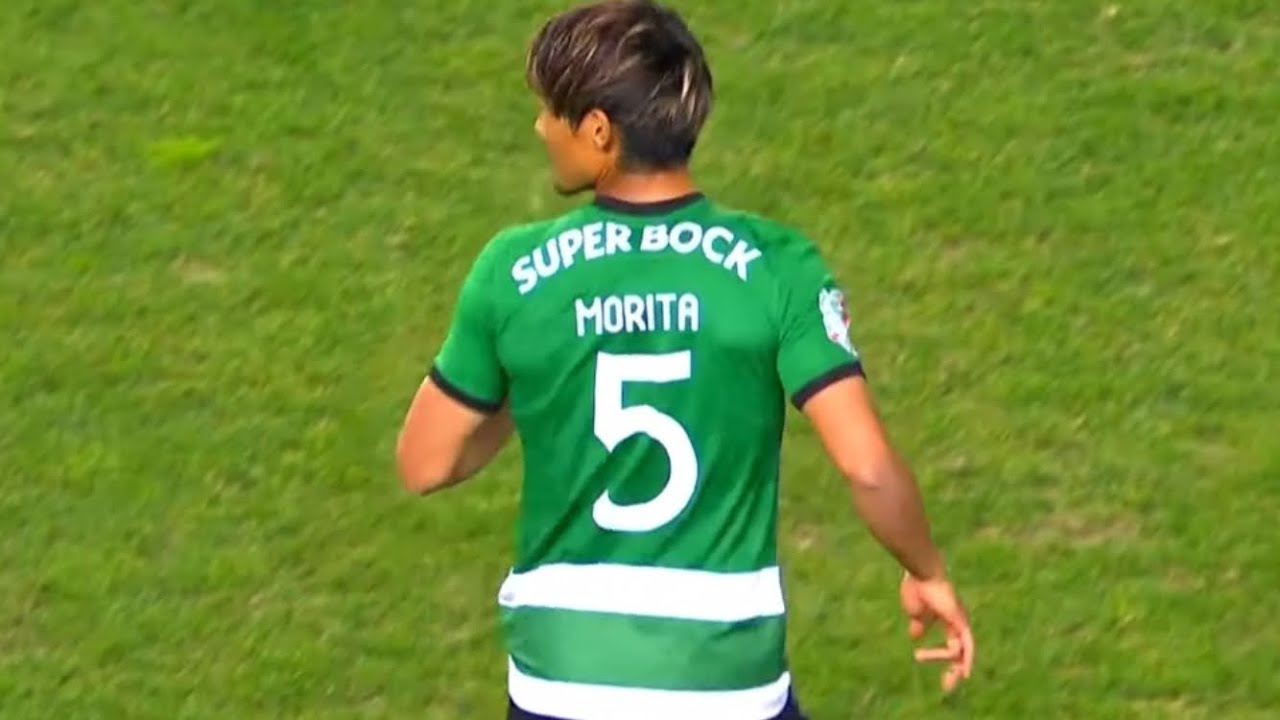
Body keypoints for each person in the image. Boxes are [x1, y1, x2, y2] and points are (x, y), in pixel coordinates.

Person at [395, 1, 975, 718]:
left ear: (599, 131)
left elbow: (426, 463)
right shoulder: (778, 266)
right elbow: (868, 468)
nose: (541, 128)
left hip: (562, 677)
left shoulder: (512, 272)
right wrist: (927, 571)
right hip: (725, 677)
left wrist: (542, 374)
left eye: (551, 111)